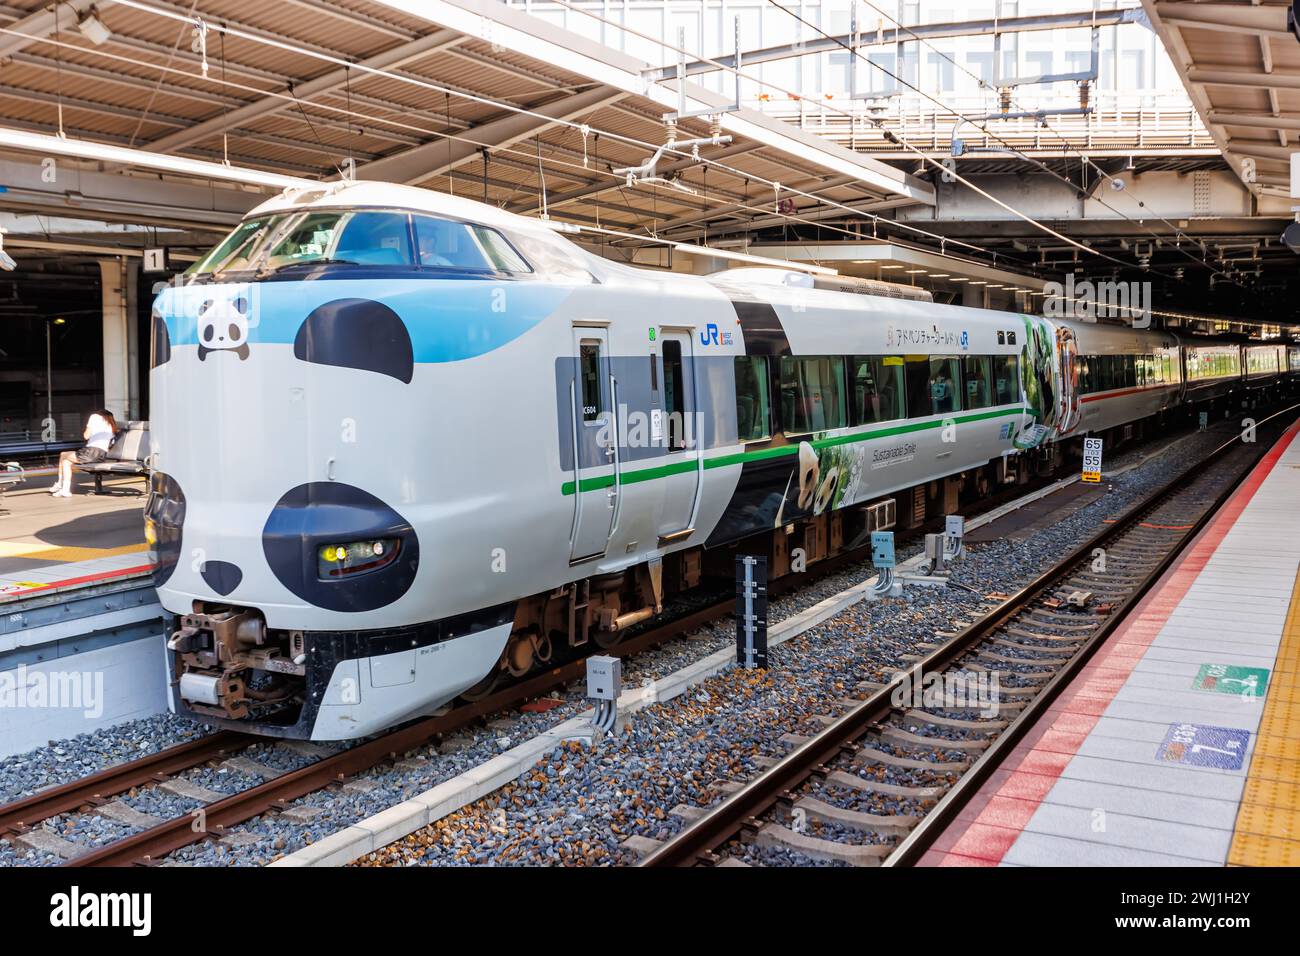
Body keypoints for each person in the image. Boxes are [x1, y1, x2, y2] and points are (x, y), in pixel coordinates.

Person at [50, 409, 118, 497]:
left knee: (63, 455)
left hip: (91, 451)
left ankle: (59, 484)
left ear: (99, 414)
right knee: (66, 461)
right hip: (101, 455)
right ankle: (65, 490)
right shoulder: (111, 425)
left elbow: (86, 436)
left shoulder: (94, 417)